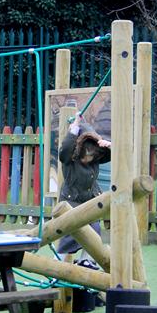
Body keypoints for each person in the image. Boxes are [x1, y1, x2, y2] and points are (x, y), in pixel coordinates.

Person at [56, 113, 111, 268]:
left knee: (94, 229)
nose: (88, 159)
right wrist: (74, 128)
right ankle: (59, 261)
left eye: (92, 156)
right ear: (79, 149)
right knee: (70, 232)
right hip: (71, 199)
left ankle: (87, 259)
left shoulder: (96, 159)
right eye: (86, 155)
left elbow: (108, 154)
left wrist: (107, 144)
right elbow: (66, 148)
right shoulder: (70, 158)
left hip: (90, 198)